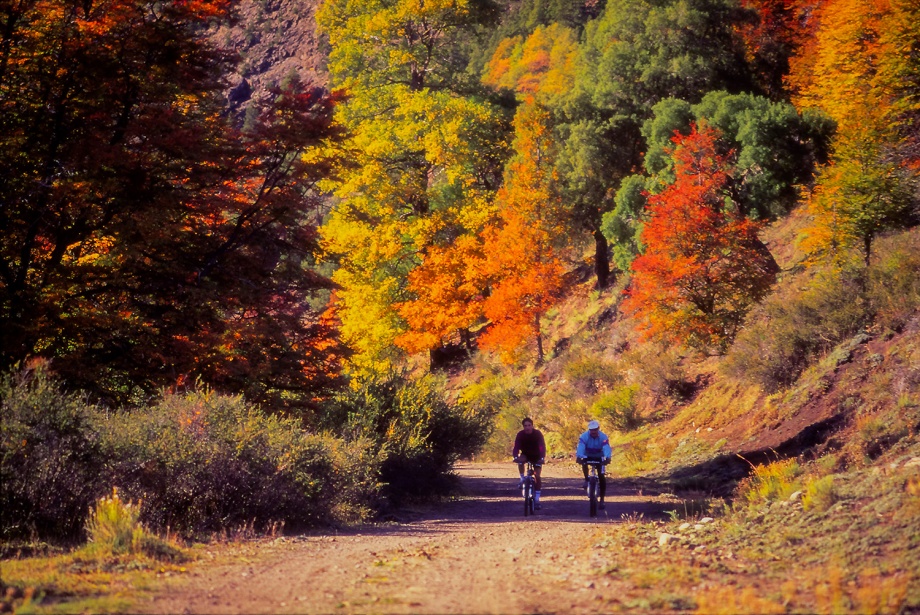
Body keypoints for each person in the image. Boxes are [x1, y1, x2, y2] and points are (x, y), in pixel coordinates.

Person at [576, 419, 612, 510]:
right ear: (589, 430)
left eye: (595, 430)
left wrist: (608, 457)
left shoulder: (603, 437)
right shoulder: (584, 436)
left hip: (599, 455)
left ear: (598, 429)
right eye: (592, 430)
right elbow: (581, 447)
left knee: (601, 476)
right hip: (588, 454)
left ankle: (602, 500)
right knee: (584, 462)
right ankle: (586, 479)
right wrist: (579, 456)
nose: (593, 432)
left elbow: (606, 447)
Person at [512, 417, 546, 509]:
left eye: (529, 425)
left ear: (532, 426)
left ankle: (537, 499)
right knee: (520, 461)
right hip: (525, 455)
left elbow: (542, 446)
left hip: (537, 456)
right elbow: (516, 447)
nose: (527, 427)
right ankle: (522, 478)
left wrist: (542, 457)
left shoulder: (537, 434)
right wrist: (515, 456)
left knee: (537, 476)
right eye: (525, 426)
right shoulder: (520, 434)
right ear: (523, 427)